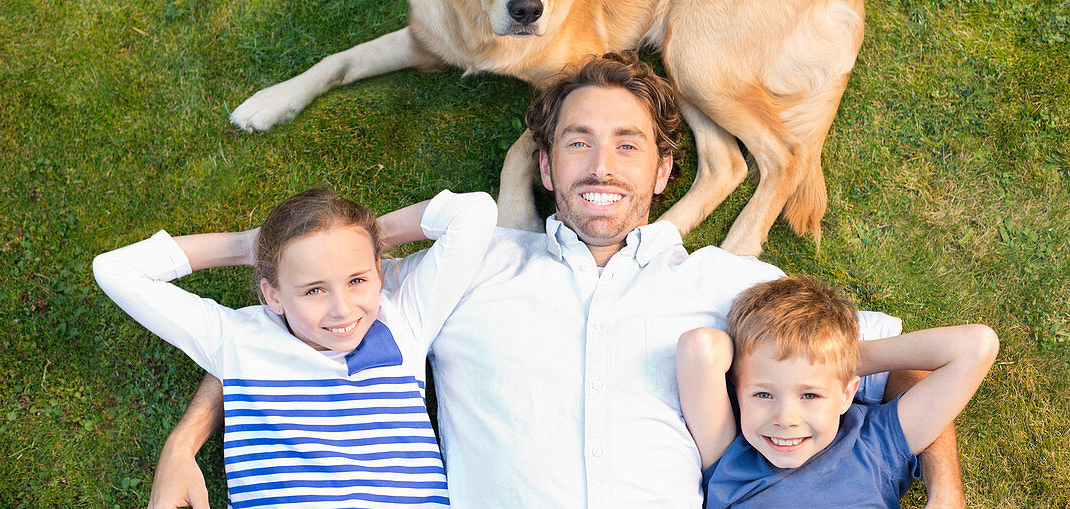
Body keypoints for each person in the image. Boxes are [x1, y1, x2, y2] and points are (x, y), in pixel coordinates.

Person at [147, 52, 968, 508]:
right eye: (576, 142)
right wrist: (182, 445)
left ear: (662, 171)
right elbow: (302, 324)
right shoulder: (473, 269)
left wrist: (946, 493)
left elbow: (894, 359)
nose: (600, 164)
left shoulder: (727, 282)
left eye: (626, 143)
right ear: (544, 166)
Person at [94, 187, 497, 507]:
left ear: (379, 271)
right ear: (273, 296)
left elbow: (474, 213)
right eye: (314, 289)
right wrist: (243, 247)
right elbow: (116, 270)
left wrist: (357, 238)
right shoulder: (236, 339)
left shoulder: (403, 319)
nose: (342, 310)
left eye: (357, 280)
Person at [676, 276, 998, 507]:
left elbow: (977, 346)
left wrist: (847, 360)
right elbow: (699, 349)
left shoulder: (873, 445)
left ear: (847, 395)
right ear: (738, 391)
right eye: (763, 395)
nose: (785, 418)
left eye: (810, 395)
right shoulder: (731, 462)